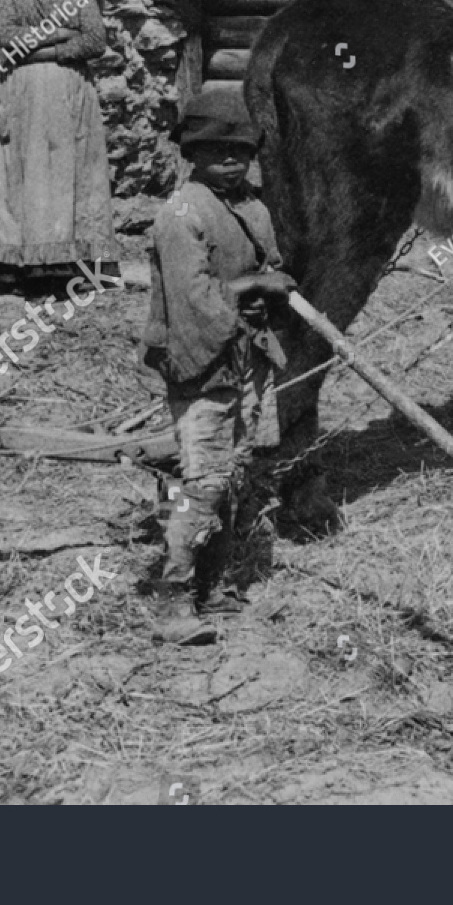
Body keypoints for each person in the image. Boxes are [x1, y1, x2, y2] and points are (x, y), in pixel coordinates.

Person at [140, 90, 293, 643]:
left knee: (234, 471)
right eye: (216, 151)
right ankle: (173, 598)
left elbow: (269, 263)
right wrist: (253, 287)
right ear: (191, 153)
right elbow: (191, 299)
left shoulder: (252, 208)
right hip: (199, 359)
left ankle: (217, 583)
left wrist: (267, 288)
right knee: (201, 478)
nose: (231, 160)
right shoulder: (180, 214)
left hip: (245, 356)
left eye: (241, 151)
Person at [0, 0, 119, 289]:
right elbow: (7, 38)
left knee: (74, 171)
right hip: (24, 97)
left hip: (71, 96)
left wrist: (46, 50)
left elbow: (96, 40)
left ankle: (72, 265)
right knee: (27, 170)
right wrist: (66, 33)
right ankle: (24, 267)